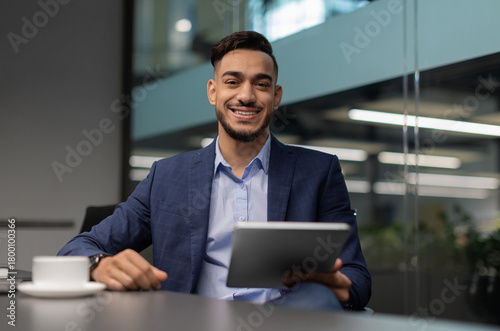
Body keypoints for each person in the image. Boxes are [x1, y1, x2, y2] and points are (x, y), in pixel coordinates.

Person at [58, 31, 371, 311]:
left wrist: (341, 289)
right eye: (232, 82)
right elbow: (76, 249)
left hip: (288, 322)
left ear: (275, 97)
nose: (246, 96)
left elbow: (357, 276)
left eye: (261, 84)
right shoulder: (167, 177)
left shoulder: (319, 171)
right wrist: (99, 265)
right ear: (213, 92)